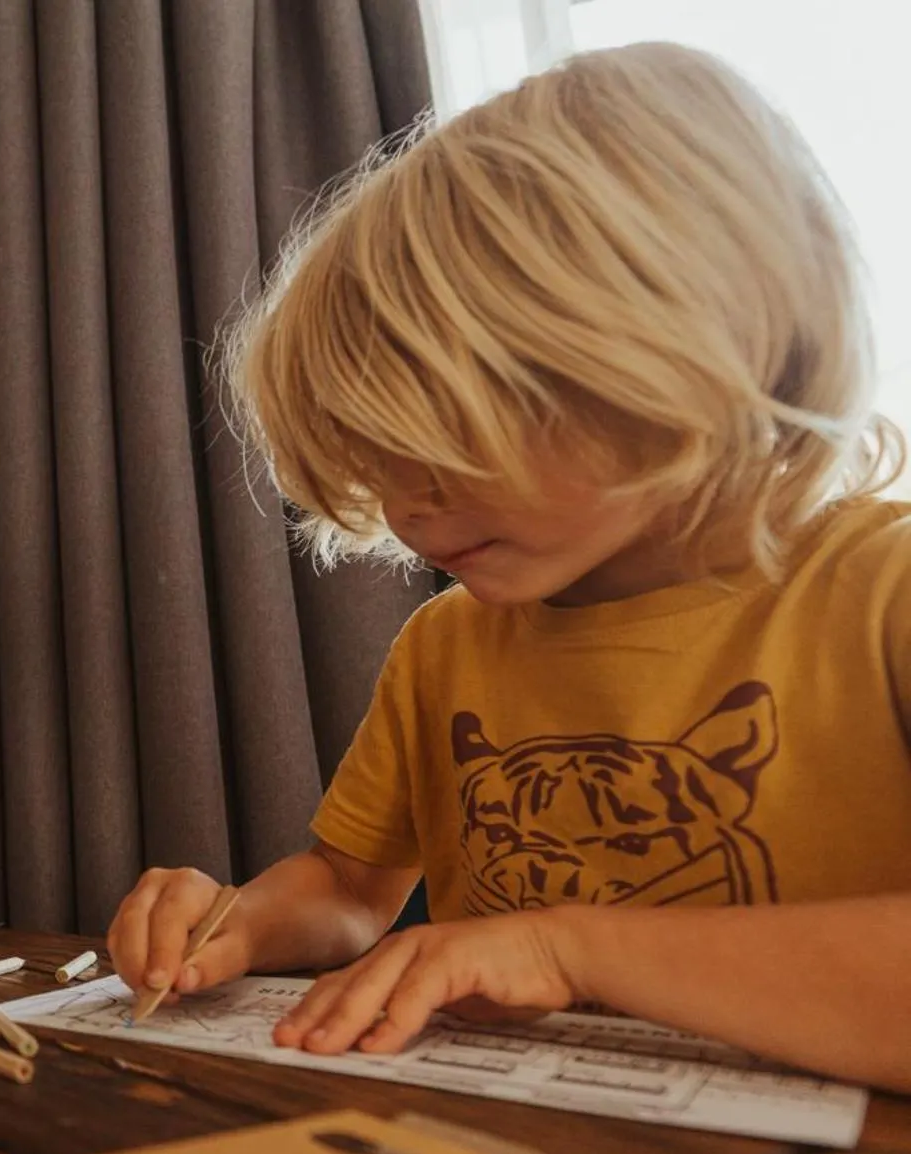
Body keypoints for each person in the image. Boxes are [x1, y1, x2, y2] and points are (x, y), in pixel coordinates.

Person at [108, 43, 911, 1091]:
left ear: (673, 351)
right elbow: (351, 889)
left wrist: (560, 948)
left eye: (454, 437)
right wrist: (234, 924)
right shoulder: (446, 645)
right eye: (381, 464)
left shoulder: (880, 598)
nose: (407, 507)